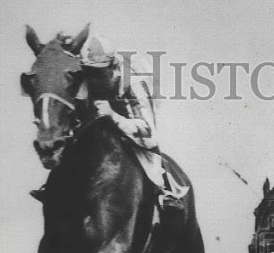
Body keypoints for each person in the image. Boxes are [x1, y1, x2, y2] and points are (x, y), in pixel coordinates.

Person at [30, 34, 189, 207]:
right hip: (107, 109)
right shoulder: (86, 78)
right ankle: (53, 185)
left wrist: (113, 116)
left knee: (145, 150)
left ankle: (165, 190)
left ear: (113, 67)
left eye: (99, 73)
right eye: (89, 73)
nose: (94, 80)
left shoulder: (135, 83)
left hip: (136, 116)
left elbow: (148, 135)